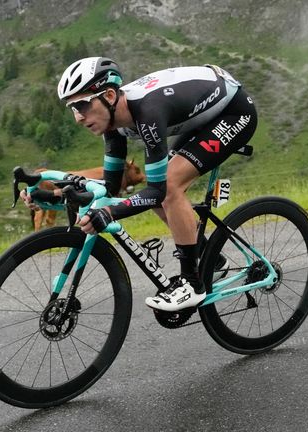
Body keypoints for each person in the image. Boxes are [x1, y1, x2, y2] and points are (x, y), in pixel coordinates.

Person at [23, 57, 257, 312]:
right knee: (158, 188)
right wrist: (53, 196)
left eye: (82, 105)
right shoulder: (112, 124)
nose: (79, 117)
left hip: (233, 112)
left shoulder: (148, 112)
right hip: (200, 114)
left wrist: (109, 212)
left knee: (167, 186)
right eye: (73, 108)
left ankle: (192, 285)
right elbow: (110, 188)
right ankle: (211, 259)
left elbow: (156, 192)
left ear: (109, 96)